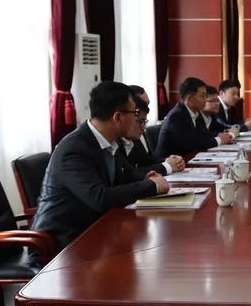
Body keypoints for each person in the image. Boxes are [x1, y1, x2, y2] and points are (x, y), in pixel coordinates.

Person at [31, 82, 169, 251]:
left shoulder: (109, 141)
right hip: (63, 243)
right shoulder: (74, 148)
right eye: (135, 113)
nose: (137, 118)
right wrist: (152, 186)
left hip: (96, 231)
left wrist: (146, 178)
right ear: (118, 117)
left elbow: (124, 174)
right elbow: (99, 197)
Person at [156, 77, 234, 157]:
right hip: (170, 161)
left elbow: (203, 133)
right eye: (203, 96)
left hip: (189, 157)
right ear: (190, 98)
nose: (205, 100)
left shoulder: (196, 113)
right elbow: (191, 143)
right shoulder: (176, 116)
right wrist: (219, 140)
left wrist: (219, 135)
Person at [117, 95, 185, 177]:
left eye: (144, 122)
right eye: (140, 122)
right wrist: (167, 166)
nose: (143, 128)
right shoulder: (114, 141)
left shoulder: (133, 139)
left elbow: (146, 161)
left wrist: (170, 161)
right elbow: (128, 174)